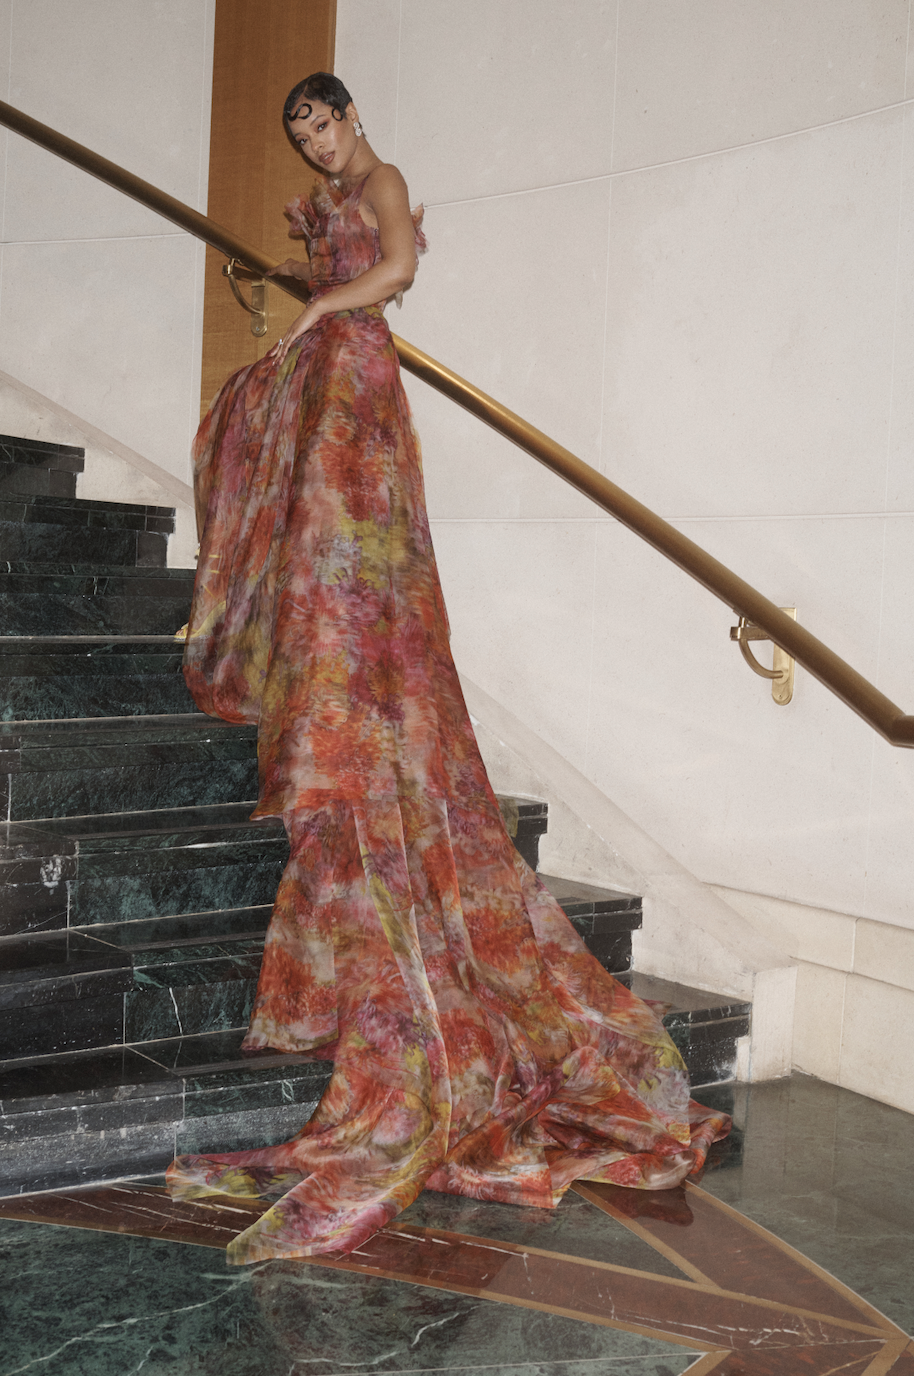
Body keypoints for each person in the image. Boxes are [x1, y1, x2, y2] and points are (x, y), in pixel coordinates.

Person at [166, 73, 730, 1265]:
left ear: (354, 114)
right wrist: (308, 326)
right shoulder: (326, 199)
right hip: (330, 366)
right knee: (318, 545)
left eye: (321, 119)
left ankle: (367, 704)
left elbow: (396, 274)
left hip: (360, 367)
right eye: (301, 129)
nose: (315, 139)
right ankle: (329, 681)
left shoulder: (381, 182)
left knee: (358, 543)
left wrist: (321, 315)